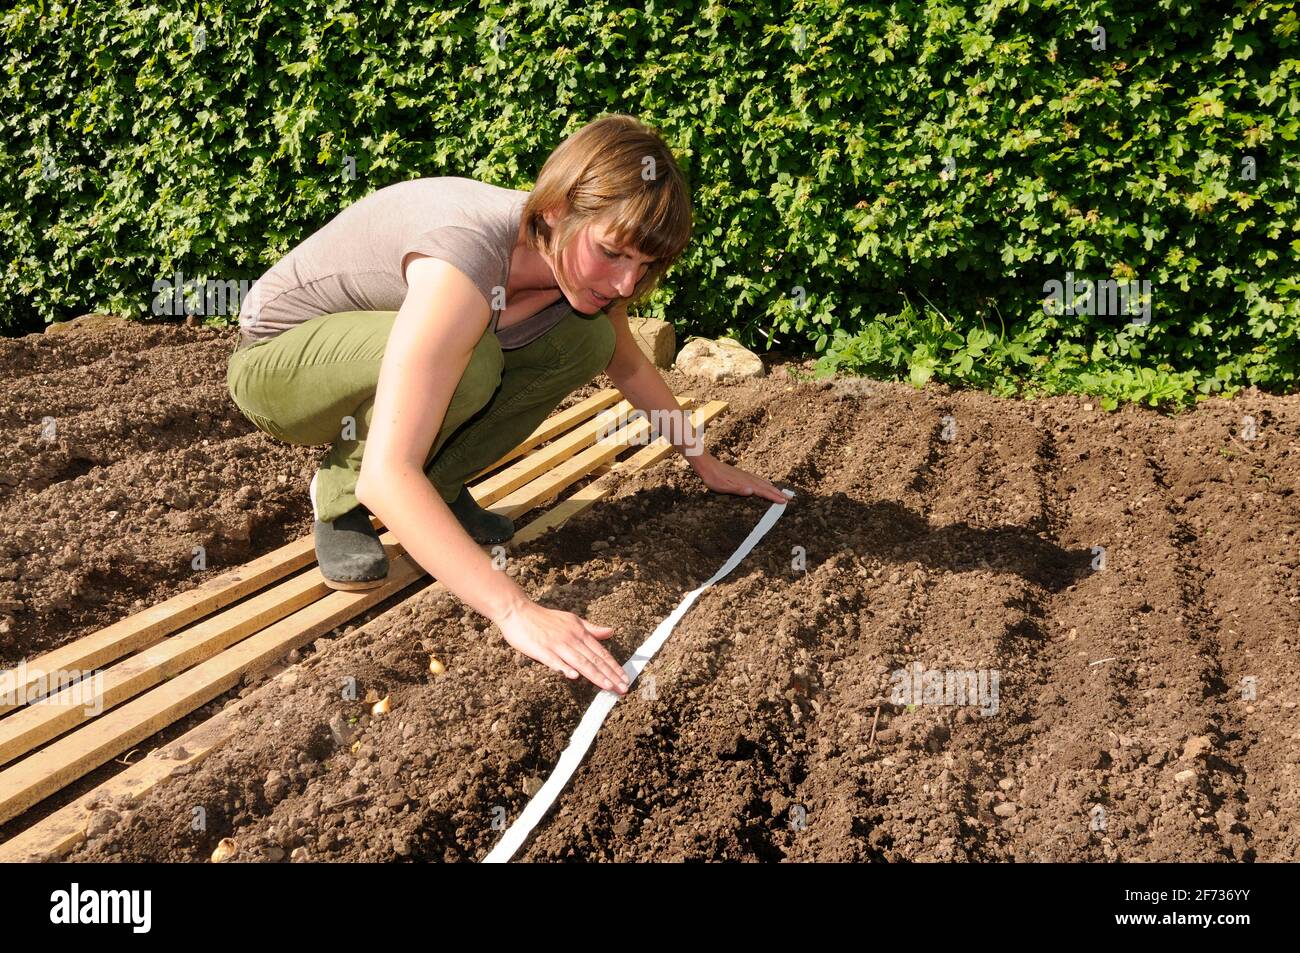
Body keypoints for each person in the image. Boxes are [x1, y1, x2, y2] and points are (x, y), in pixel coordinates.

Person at [226, 114, 786, 695]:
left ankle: (439, 483)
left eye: (645, 268)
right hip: (279, 366)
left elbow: (627, 362)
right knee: (470, 364)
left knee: (586, 338)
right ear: (554, 211)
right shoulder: (467, 256)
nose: (626, 285)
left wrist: (705, 462)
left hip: (376, 349)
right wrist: (516, 612)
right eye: (614, 254)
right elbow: (389, 476)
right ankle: (337, 496)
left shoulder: (577, 260)